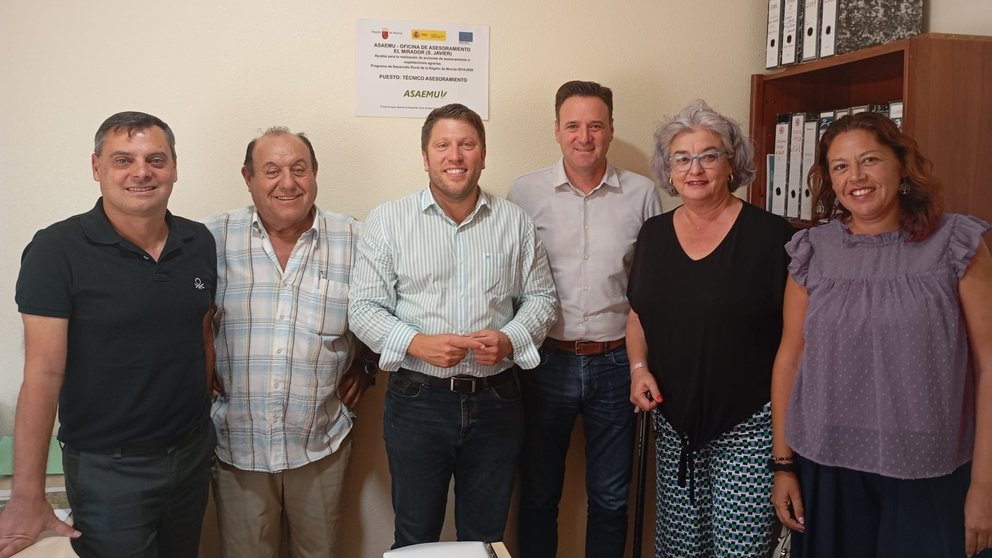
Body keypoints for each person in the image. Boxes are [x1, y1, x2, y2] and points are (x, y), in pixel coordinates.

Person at [770, 112, 992, 557]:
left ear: (901, 165)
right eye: (839, 166)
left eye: (869, 160)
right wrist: (783, 466)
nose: (856, 177)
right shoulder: (812, 251)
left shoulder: (955, 242)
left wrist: (985, 485)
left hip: (931, 467)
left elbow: (989, 364)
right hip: (828, 465)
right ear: (829, 180)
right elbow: (790, 358)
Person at [0, 111, 217, 558]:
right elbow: (41, 374)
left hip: (192, 454)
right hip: (108, 470)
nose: (142, 172)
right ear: (97, 167)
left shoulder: (198, 242)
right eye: (123, 159)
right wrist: (28, 496)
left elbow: (202, 334)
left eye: (156, 159)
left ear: (174, 168)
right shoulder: (56, 250)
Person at [348, 103, 557, 548]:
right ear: (425, 157)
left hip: (498, 400)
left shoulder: (514, 222)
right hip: (417, 399)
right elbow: (363, 308)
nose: (455, 155)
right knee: (414, 535)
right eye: (442, 145)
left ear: (483, 154)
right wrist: (416, 343)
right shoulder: (389, 221)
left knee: (486, 539)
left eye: (467, 144)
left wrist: (509, 338)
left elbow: (542, 299)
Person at [628, 100, 794, 557]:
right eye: (681, 157)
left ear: (732, 162)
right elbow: (638, 312)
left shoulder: (773, 236)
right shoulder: (654, 234)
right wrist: (638, 368)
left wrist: (785, 458)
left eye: (709, 155)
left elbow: (795, 345)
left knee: (740, 551)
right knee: (680, 551)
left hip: (749, 428)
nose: (694, 168)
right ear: (668, 168)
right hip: (675, 426)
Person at [203, 127, 375, 558]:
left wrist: (367, 366)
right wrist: (196, 368)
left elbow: (390, 309)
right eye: (272, 170)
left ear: (315, 173)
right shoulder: (210, 239)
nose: (287, 182)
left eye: (299, 169)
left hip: (320, 443)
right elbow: (178, 316)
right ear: (248, 177)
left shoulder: (356, 238)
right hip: (237, 446)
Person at [507, 80, 661, 558]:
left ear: (611, 129)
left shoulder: (642, 194)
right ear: (556, 131)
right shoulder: (524, 192)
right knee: (536, 496)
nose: (584, 136)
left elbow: (651, 289)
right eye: (573, 125)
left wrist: (642, 365)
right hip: (544, 363)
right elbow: (509, 279)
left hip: (617, 365)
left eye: (596, 125)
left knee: (612, 499)